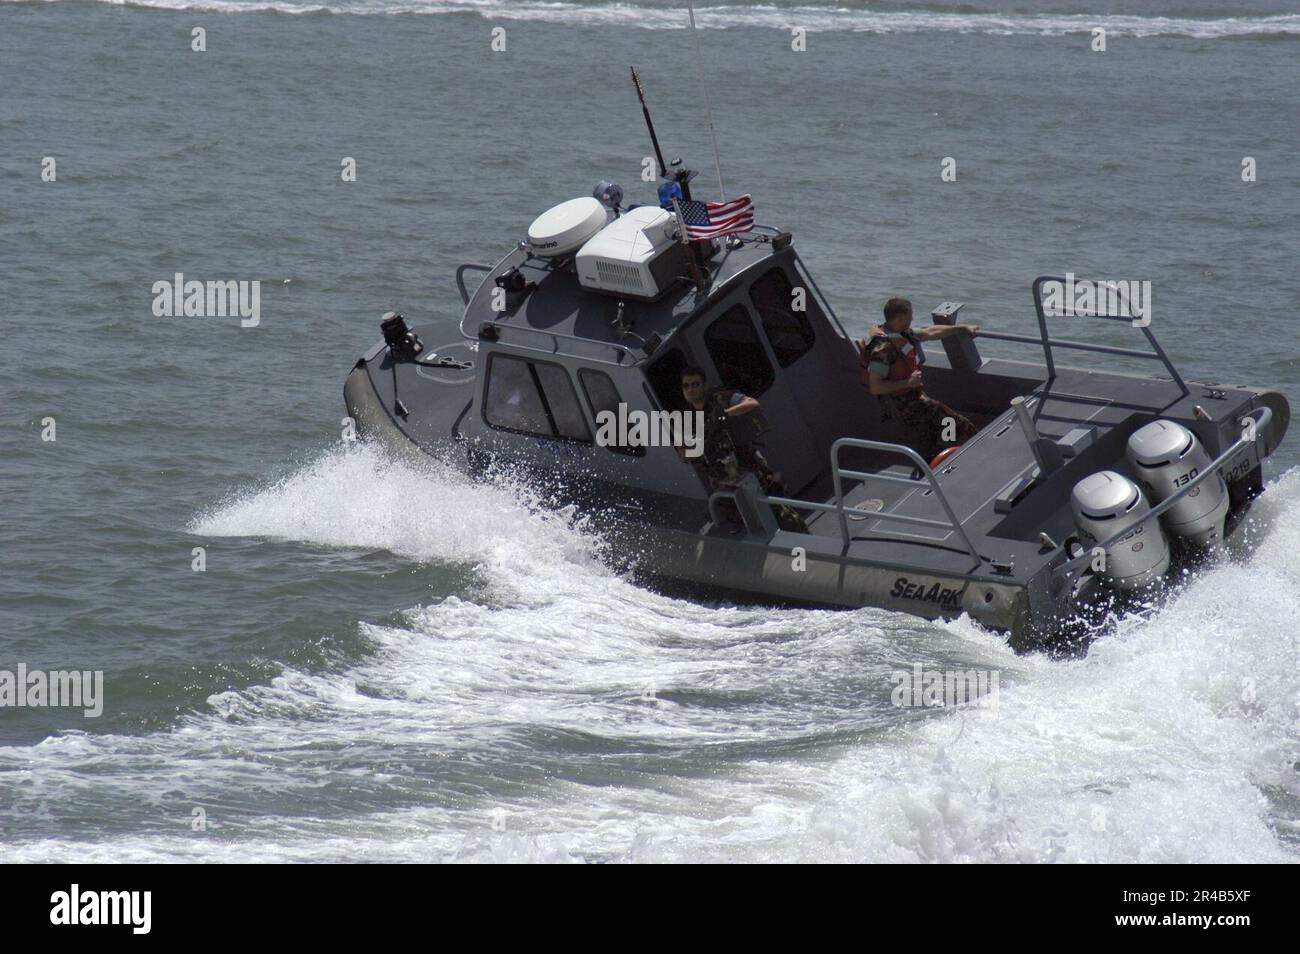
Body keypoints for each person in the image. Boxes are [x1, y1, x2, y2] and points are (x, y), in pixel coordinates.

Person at [678, 366, 808, 533]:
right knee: (747, 524)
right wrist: (700, 445)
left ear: (704, 385)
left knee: (780, 514)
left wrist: (725, 415)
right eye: (686, 386)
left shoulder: (721, 398)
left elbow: (751, 403)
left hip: (749, 469)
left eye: (695, 384)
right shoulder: (685, 417)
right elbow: (683, 454)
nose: (691, 390)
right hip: (723, 482)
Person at [860, 297, 980, 461]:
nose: (913, 319)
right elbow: (875, 386)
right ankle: (948, 451)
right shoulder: (883, 349)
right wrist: (908, 383)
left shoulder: (902, 334)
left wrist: (962, 328)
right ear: (900, 318)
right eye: (910, 316)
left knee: (929, 437)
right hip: (902, 405)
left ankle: (937, 458)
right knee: (954, 423)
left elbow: (930, 332)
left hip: (915, 398)